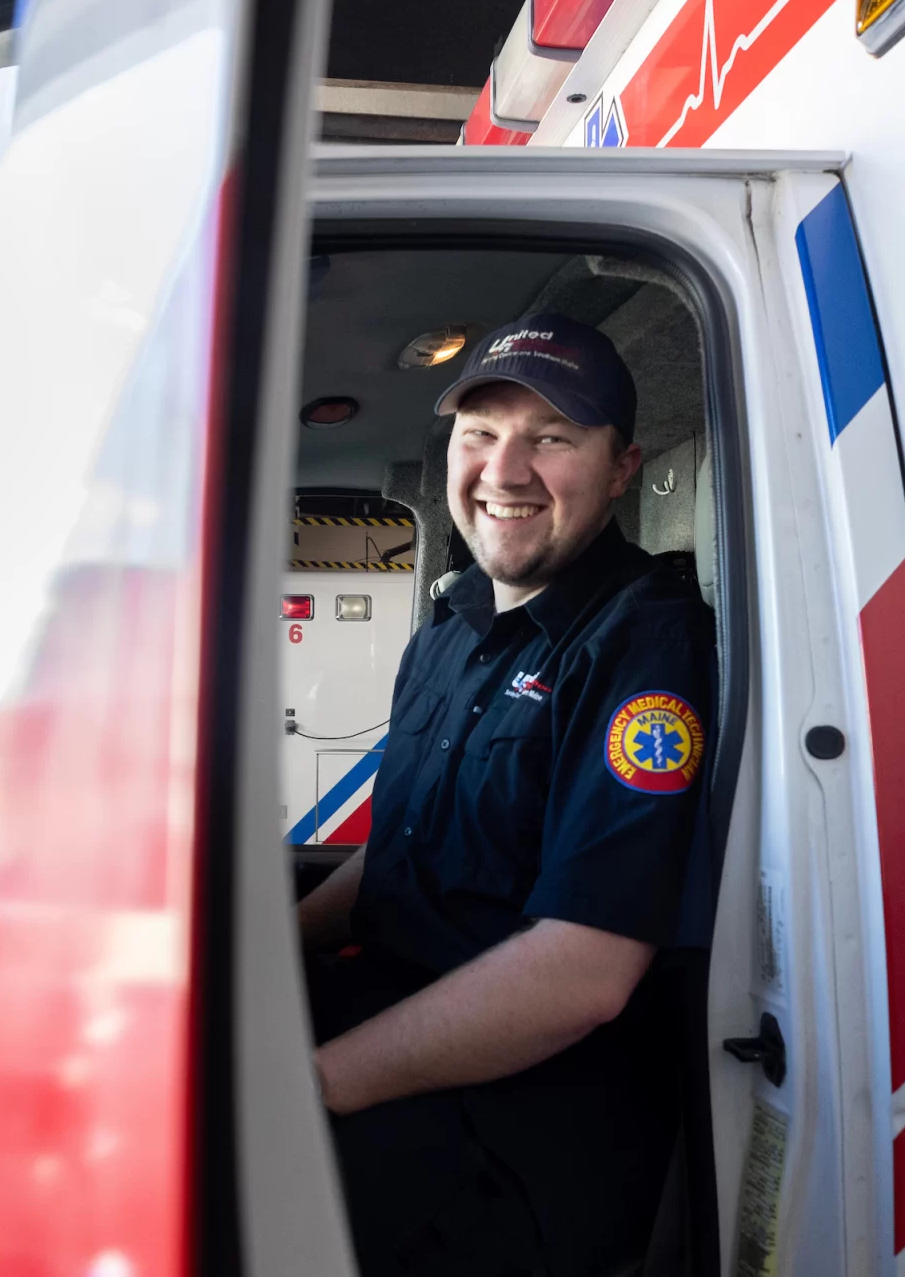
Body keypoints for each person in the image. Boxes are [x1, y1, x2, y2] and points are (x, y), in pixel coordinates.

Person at [297, 314, 716, 1276]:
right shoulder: (448, 627)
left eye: (553, 437)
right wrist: (271, 950)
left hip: (516, 1120)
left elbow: (581, 973)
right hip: (395, 1029)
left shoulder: (642, 642)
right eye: (480, 432)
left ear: (620, 468)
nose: (505, 469)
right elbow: (400, 852)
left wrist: (314, 1081)